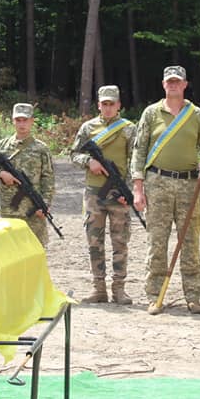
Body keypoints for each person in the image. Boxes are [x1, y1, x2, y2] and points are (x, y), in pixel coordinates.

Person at [130, 65, 200, 316]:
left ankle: (193, 296)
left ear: (185, 85)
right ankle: (155, 295)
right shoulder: (151, 113)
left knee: (190, 242)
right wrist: (138, 188)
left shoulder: (196, 115)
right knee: (157, 242)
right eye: (170, 81)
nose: (173, 85)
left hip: (189, 185)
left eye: (178, 81)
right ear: (164, 85)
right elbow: (139, 151)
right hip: (158, 183)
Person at [70, 85, 136, 304]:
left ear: (119, 105)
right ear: (99, 105)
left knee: (120, 241)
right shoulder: (88, 128)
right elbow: (74, 154)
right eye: (104, 104)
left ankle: (119, 289)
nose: (108, 108)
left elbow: (135, 161)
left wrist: (129, 190)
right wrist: (89, 162)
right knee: (94, 242)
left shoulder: (128, 129)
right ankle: (99, 289)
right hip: (93, 194)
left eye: (112, 104)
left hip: (118, 194)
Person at [0, 103, 55, 247]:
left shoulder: (41, 149)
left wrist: (45, 204)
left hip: (34, 212)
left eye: (25, 120)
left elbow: (48, 179)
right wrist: (0, 173)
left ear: (32, 121)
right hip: (9, 210)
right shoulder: (1, 146)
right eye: (18, 120)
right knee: (9, 251)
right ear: (13, 120)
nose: (22, 124)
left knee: (35, 251)